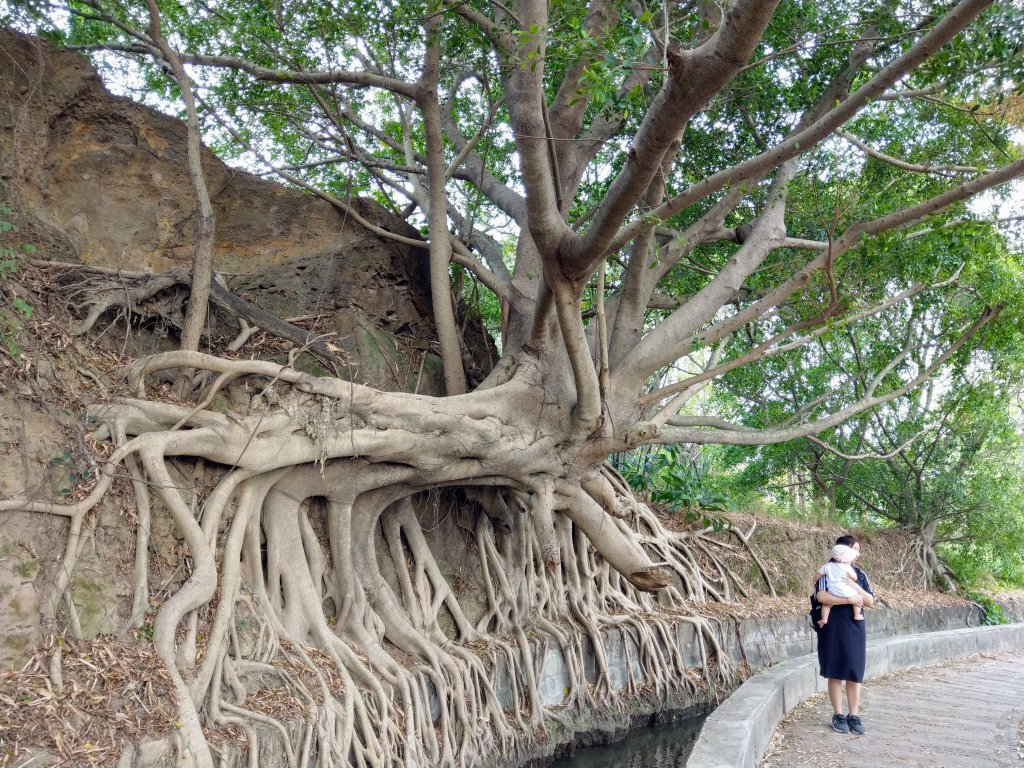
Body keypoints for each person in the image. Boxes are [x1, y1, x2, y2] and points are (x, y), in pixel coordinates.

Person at [815, 534, 874, 736]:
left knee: (854, 670)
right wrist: (850, 599)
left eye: (858, 549)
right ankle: (838, 714)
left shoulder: (859, 574)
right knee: (835, 669)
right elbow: (821, 596)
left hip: (855, 627)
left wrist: (854, 585)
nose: (857, 552)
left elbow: (869, 601)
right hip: (832, 625)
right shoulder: (828, 570)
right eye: (853, 548)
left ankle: (854, 715)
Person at [816, 543, 863, 627]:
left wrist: (813, 581)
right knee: (857, 597)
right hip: (845, 590)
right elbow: (855, 577)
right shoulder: (847, 567)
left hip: (832, 590)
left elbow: (818, 574)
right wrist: (853, 578)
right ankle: (857, 614)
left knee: (827, 604)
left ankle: (824, 619)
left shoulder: (827, 566)